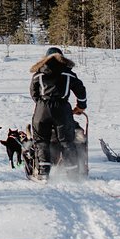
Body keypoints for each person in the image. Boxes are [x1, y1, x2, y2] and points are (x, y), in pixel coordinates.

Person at [29, 47, 87, 181]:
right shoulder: (68, 73)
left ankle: (43, 173)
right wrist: (81, 106)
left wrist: (42, 105)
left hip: (42, 109)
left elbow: (34, 93)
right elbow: (80, 90)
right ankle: (73, 174)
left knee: (41, 141)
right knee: (67, 142)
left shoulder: (38, 74)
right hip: (62, 109)